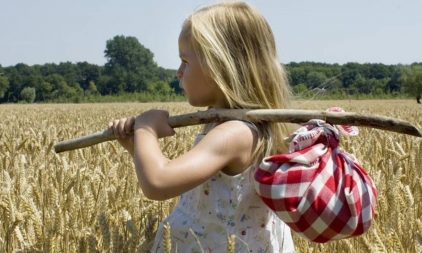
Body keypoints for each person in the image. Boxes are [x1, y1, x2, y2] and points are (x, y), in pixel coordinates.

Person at [109, 1, 295, 252]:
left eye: (185, 61)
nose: (178, 72)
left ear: (220, 65)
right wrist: (137, 146)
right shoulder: (234, 127)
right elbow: (194, 190)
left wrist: (147, 130)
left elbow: (158, 183)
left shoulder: (234, 133)